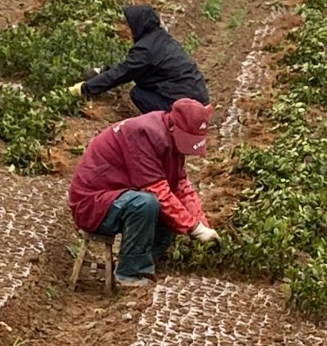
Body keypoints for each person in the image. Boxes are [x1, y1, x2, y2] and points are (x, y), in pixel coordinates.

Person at [68, 98, 219, 288]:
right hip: (94, 204)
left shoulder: (169, 138)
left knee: (167, 211)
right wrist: (193, 228)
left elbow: (181, 186)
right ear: (175, 128)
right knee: (147, 203)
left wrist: (201, 223)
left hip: (120, 198)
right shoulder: (144, 134)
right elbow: (157, 190)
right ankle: (128, 274)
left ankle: (146, 261)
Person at [68, 4, 209, 113]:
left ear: (139, 25)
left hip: (187, 106)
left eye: (129, 25)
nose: (127, 29)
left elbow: (122, 74)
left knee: (138, 93)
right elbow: (132, 68)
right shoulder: (159, 38)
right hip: (197, 97)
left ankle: (169, 124)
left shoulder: (145, 49)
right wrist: (104, 71)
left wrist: (85, 88)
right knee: (143, 84)